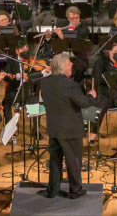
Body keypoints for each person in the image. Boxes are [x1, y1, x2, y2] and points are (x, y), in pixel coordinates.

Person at [39, 52, 100, 199]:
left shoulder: (45, 82)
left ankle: (53, 190)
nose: (72, 65)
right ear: (62, 67)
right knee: (73, 161)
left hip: (54, 128)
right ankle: (75, 190)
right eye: (69, 64)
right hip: (70, 130)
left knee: (55, 159)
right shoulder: (70, 85)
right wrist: (91, 95)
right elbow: (84, 103)